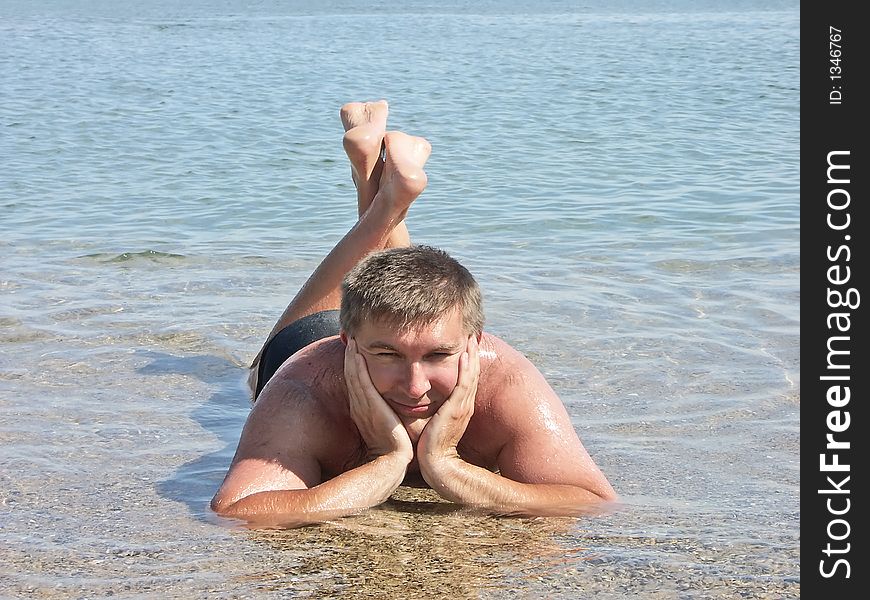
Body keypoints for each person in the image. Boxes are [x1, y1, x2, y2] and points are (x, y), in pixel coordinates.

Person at [211, 100, 616, 526]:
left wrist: (446, 465)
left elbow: (592, 500)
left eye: (439, 355)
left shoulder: (505, 380)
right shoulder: (304, 387)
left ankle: (380, 190)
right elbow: (239, 513)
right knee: (255, 372)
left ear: (477, 342)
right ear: (348, 344)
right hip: (307, 340)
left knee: (413, 288)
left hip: (382, 329)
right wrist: (386, 463)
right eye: (388, 356)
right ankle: (380, 194)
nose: (414, 386)